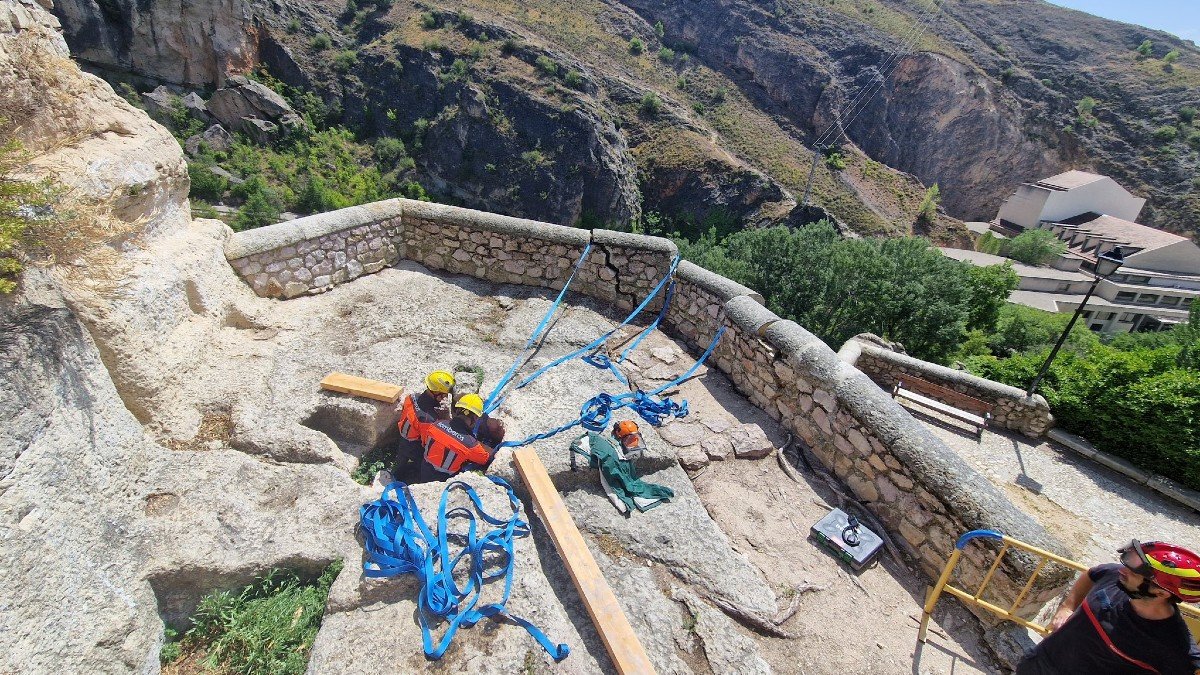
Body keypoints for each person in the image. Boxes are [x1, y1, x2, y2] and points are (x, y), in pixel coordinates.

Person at [1015, 539, 1200, 675]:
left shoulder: (1177, 648)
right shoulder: (1114, 577)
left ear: (1161, 593)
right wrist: (1067, 606)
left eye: (1133, 572)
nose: (1122, 570)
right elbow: (1093, 574)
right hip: (1040, 663)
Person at [417, 393, 496, 482]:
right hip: (444, 479)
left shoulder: (436, 424)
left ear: (457, 410)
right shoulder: (470, 444)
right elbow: (485, 459)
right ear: (475, 417)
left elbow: (425, 442)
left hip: (424, 470)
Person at [392, 370, 455, 480]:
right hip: (414, 446)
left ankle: (394, 475)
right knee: (419, 465)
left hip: (403, 437)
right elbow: (427, 443)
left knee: (400, 463)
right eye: (444, 394)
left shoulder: (411, 397)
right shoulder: (427, 419)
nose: (445, 397)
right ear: (435, 392)